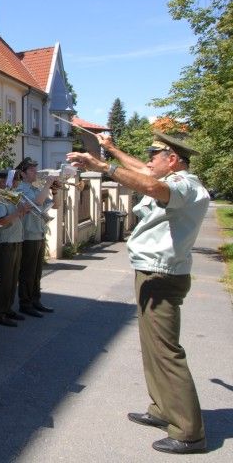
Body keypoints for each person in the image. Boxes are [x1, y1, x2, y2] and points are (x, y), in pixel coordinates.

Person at [67, 131, 209, 455]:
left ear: (171, 160)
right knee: (152, 349)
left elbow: (149, 185)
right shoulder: (177, 180)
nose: (147, 161)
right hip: (154, 273)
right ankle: (163, 409)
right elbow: (146, 175)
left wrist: (104, 166)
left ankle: (189, 431)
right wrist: (113, 150)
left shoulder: (183, 185)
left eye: (153, 156)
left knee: (166, 352)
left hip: (162, 277)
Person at [15, 157, 58, 318]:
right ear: (22, 173)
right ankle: (25, 303)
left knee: (37, 271)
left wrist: (55, 191)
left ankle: (35, 300)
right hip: (28, 234)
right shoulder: (21, 189)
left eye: (35, 169)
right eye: (31, 170)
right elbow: (37, 202)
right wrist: (47, 184)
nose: (35, 172)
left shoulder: (34, 188)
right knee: (27, 271)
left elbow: (56, 205)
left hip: (39, 233)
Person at [0, 169, 30, 328]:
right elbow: (0, 221)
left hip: (15, 239)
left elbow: (15, 217)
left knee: (12, 279)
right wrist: (18, 212)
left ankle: (8, 308)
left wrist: (22, 211)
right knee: (4, 279)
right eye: (14, 181)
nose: (17, 184)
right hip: (4, 242)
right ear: (2, 182)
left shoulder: (10, 197)